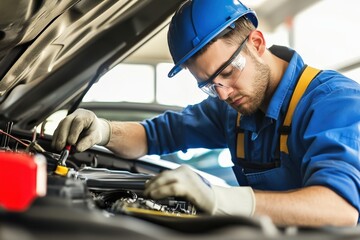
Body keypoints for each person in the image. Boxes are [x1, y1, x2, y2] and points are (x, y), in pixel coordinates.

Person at [52, 0, 360, 227]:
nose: (223, 93)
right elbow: (156, 135)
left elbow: (340, 207)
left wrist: (220, 199)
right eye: (209, 85)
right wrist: (104, 130)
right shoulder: (234, 110)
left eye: (228, 71)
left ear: (257, 42)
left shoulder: (332, 102)